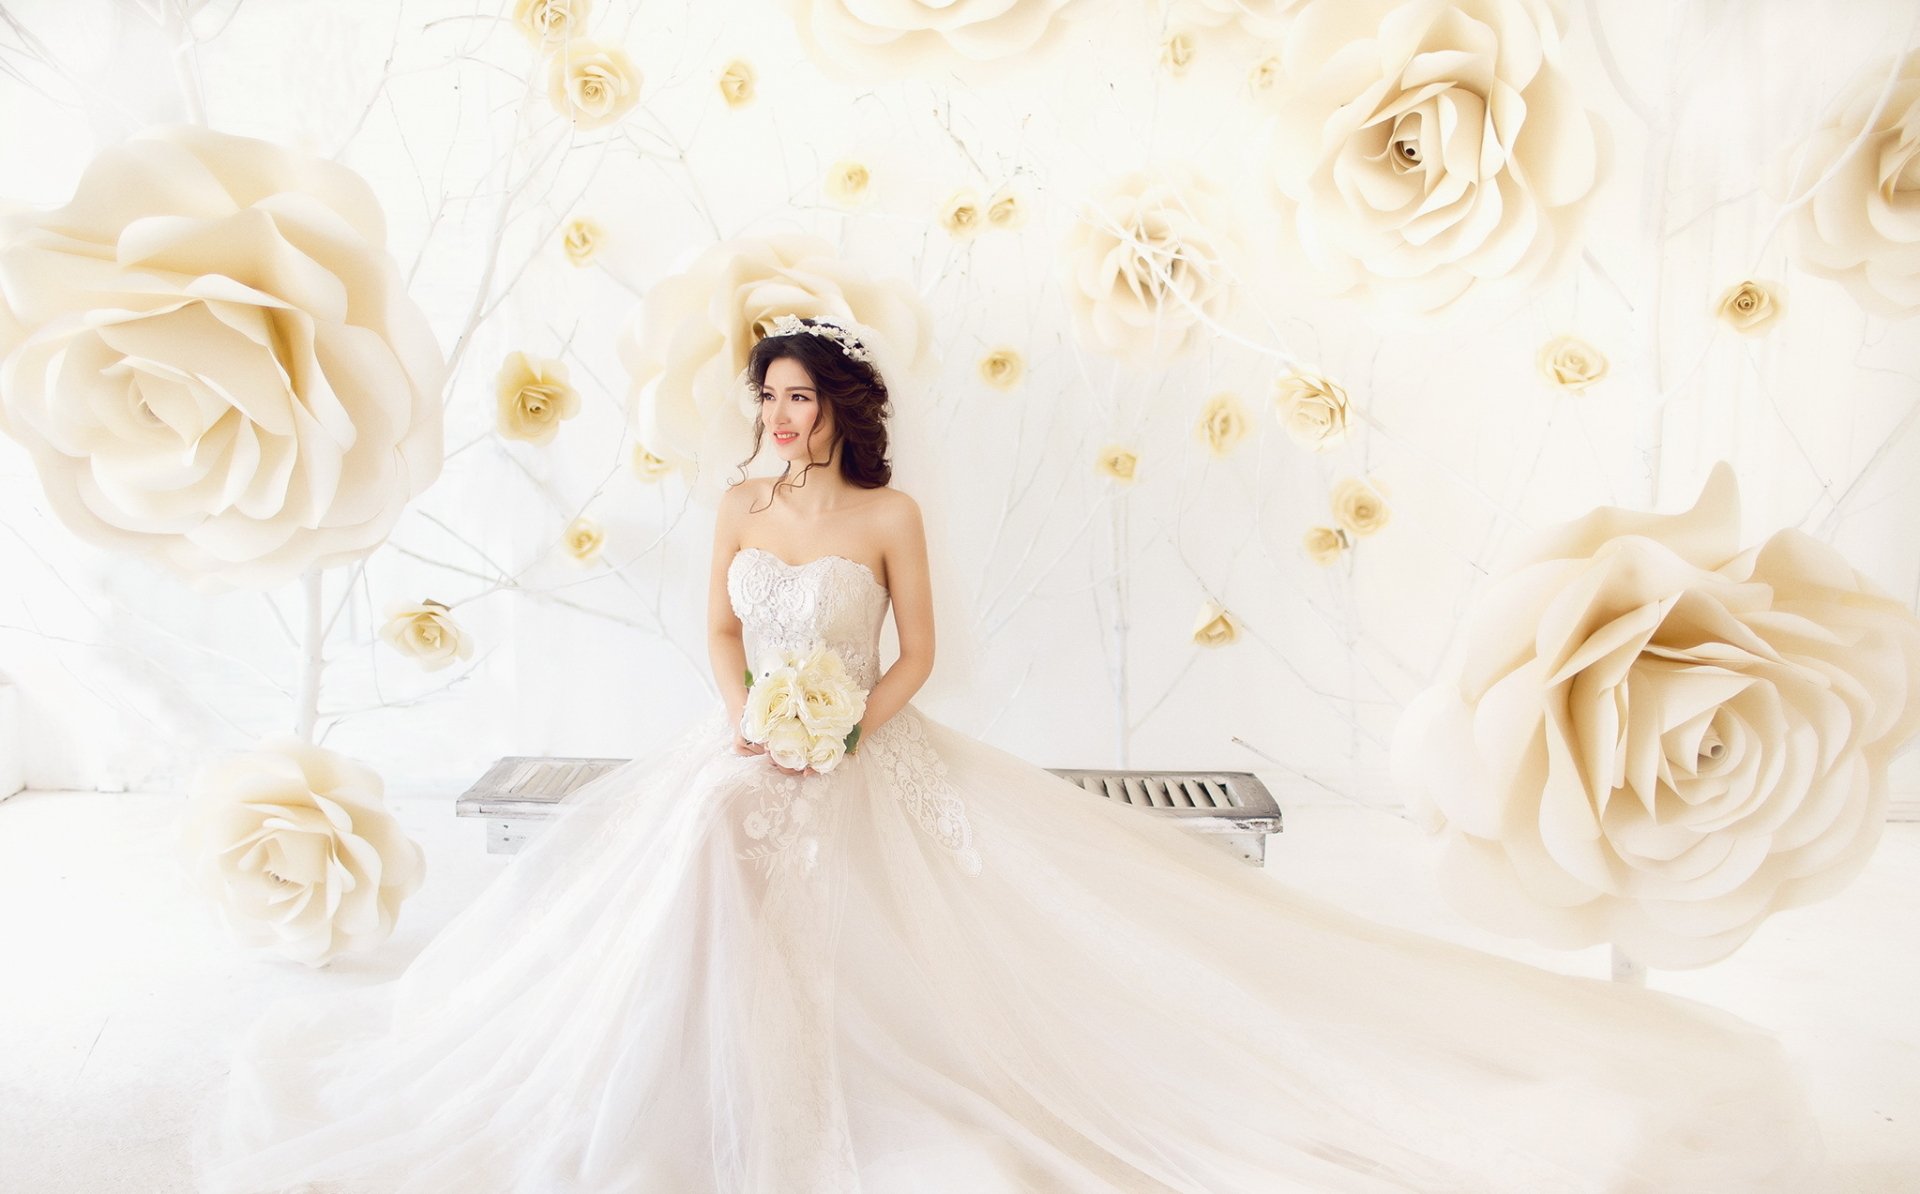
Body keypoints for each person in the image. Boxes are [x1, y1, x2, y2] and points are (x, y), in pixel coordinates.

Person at [191, 314, 1833, 1194]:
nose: (776, 420)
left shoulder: (886, 512)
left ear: (837, 406)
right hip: (747, 744)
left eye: (794, 398)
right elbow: (711, 630)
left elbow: (919, 653)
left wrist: (843, 725)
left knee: (939, 942)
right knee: (694, 848)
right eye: (760, 399)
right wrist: (752, 717)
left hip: (859, 748)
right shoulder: (738, 510)